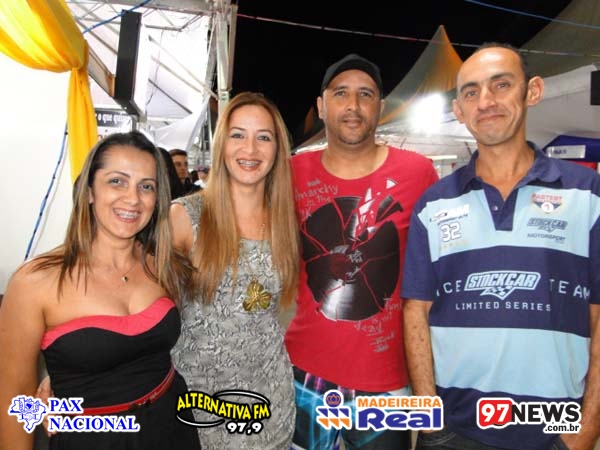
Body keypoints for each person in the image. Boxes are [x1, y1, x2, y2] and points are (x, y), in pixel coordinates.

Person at [402, 42, 600, 450]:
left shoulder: (588, 194)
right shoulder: (433, 204)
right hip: (455, 432)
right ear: (458, 110)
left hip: (554, 431)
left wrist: (586, 429)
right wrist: (431, 419)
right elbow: (415, 311)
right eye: (471, 92)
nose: (486, 101)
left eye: (501, 84)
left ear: (533, 91)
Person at [0, 131, 202, 450]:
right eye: (117, 181)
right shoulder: (34, 283)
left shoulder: (165, 265)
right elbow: (14, 401)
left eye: (146, 186)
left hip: (172, 425)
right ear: (89, 191)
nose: (133, 199)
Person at [284, 53, 439, 449]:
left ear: (380, 107)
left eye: (365, 94)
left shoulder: (418, 172)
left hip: (386, 384)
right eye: (340, 93)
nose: (352, 105)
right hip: (304, 374)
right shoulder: (290, 173)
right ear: (321, 106)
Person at [169, 91, 300, 449]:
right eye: (238, 135)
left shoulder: (285, 222)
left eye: (264, 137)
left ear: (277, 149)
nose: (250, 149)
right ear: (221, 145)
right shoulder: (184, 217)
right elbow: (134, 300)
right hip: (199, 411)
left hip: (270, 407)